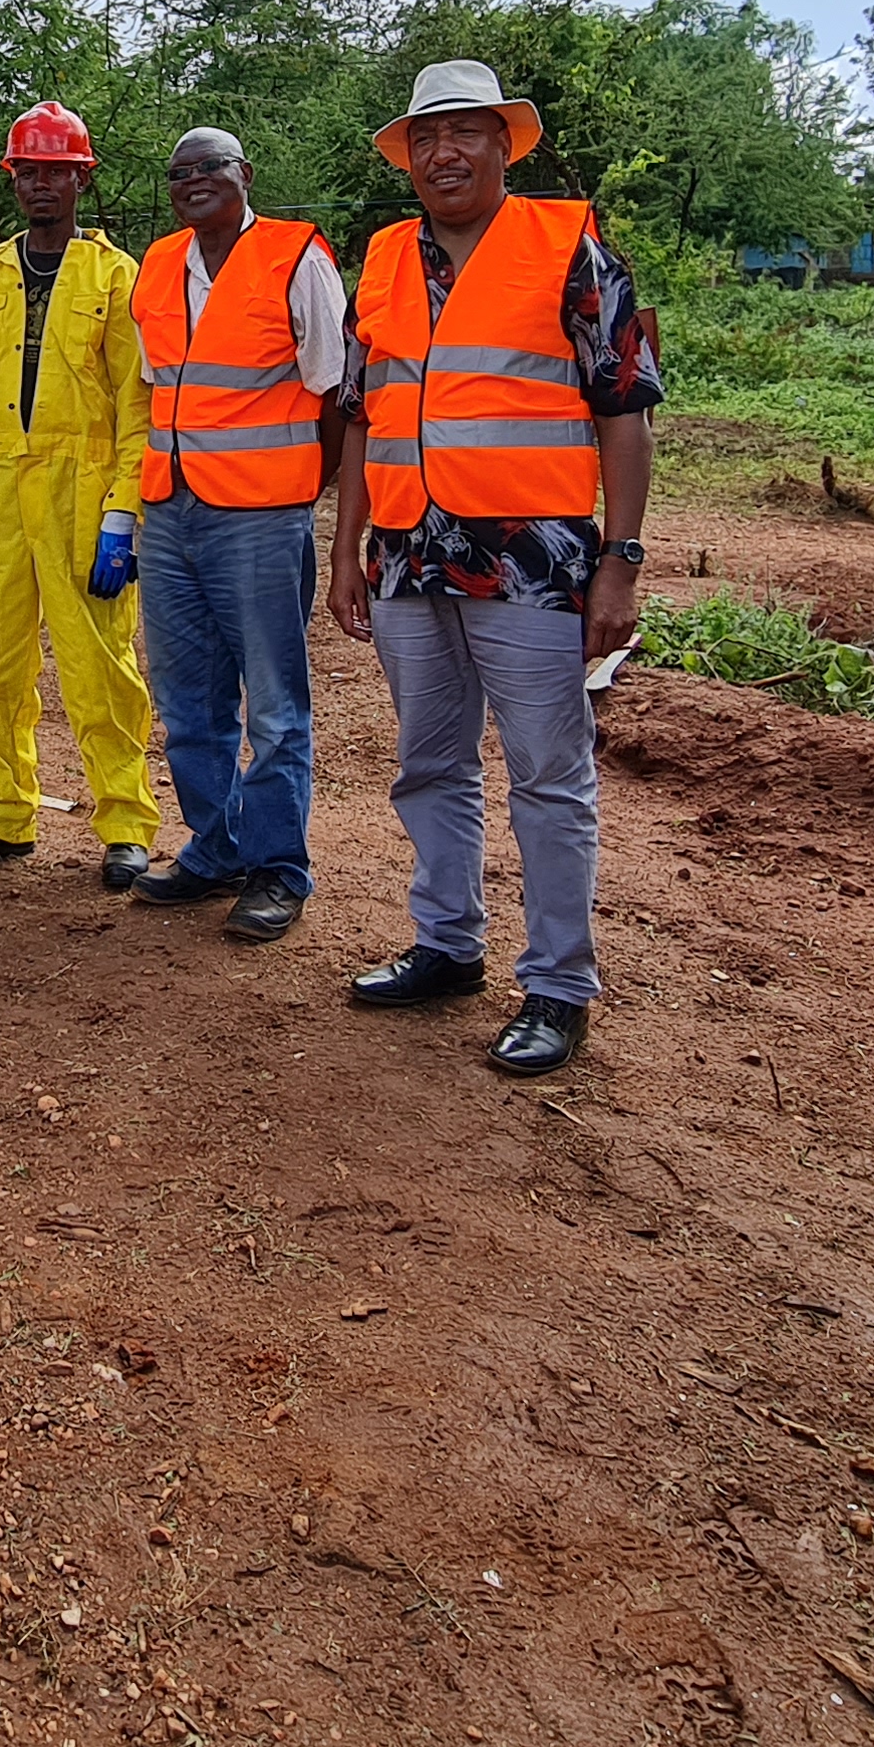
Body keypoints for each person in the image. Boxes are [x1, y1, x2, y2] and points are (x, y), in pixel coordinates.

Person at [327, 60, 657, 1078]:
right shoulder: (384, 258)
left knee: (548, 777)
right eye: (424, 138)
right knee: (429, 763)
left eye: (464, 132)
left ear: (504, 146)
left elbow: (625, 408)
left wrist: (620, 562)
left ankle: (558, 987)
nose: (443, 153)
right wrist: (344, 551)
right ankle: (447, 945)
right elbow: (362, 415)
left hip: (532, 567)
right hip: (406, 558)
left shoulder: (571, 248)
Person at [0, 101, 158, 887]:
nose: (41, 185)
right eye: (29, 171)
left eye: (57, 172)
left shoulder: (115, 276)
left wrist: (123, 512)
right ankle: (0, 814)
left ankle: (125, 824)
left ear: (81, 179)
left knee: (100, 668)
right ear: (14, 179)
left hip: (80, 493)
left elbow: (136, 405)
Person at [130, 127, 348, 943]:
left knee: (276, 710)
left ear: (245, 175)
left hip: (261, 517)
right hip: (171, 510)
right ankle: (216, 847)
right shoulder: (158, 264)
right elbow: (158, 385)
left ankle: (278, 869)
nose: (192, 180)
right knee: (188, 704)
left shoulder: (296, 258)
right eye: (178, 172)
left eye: (209, 167)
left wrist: (300, 491)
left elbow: (335, 390)